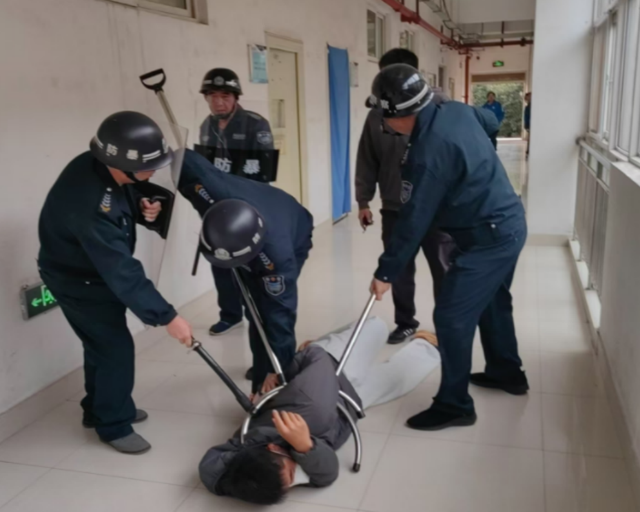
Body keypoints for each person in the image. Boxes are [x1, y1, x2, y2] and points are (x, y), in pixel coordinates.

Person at [368, 64, 528, 432]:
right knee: (493, 302)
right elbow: (491, 121)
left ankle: (455, 405)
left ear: (396, 115)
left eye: (382, 116)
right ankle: (507, 372)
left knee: (451, 317)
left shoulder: (427, 153)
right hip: (508, 222)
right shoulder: (456, 110)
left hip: (489, 239)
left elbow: (412, 220)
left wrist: (386, 272)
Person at [38, 112, 193, 454]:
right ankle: (113, 424)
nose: (154, 171)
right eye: (148, 166)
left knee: (101, 345)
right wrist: (167, 316)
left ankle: (99, 408)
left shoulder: (97, 163)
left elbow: (118, 197)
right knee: (115, 349)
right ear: (122, 163)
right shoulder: (89, 205)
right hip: (79, 281)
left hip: (90, 272)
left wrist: (141, 206)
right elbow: (122, 270)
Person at [198, 317, 440, 505]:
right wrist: (305, 447)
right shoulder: (247, 467)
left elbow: (318, 358)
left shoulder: (311, 409)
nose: (296, 480)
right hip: (345, 407)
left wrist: (286, 372)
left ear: (274, 448)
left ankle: (311, 350)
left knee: (377, 327)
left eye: (291, 474)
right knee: (400, 382)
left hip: (332, 366)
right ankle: (427, 344)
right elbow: (326, 475)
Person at [178, 149, 313, 393]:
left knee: (268, 311)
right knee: (254, 309)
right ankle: (262, 369)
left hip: (294, 226)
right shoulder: (206, 189)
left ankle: (276, 377)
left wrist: (276, 370)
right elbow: (182, 159)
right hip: (264, 208)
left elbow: (281, 315)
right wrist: (151, 198)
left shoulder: (276, 260)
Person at [357, 48, 455, 345]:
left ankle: (448, 327)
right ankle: (405, 322)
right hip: (395, 206)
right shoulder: (376, 115)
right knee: (398, 269)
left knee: (444, 269)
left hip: (437, 210)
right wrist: (363, 200)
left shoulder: (441, 110)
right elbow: (367, 158)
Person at [199, 68, 275, 337]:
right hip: (217, 205)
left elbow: (264, 171)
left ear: (235, 97)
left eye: (225, 96)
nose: (219, 102)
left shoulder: (255, 124)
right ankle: (229, 315)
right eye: (213, 96)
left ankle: (257, 312)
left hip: (248, 206)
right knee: (220, 261)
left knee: (249, 263)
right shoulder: (206, 126)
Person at [524, 92, 532, 157]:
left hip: (533, 124)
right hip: (529, 124)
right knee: (529, 138)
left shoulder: (532, 107)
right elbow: (526, 117)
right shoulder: (527, 107)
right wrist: (526, 125)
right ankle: (528, 150)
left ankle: (529, 150)